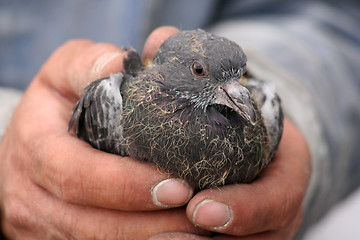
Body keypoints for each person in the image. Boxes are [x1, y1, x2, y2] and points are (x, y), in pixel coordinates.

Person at [0, 0, 359, 239]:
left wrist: (303, 119)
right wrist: (7, 140)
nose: (239, 95)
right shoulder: (113, 100)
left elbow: (333, 18)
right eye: (202, 72)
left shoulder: (259, 107)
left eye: (238, 79)